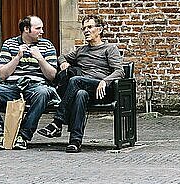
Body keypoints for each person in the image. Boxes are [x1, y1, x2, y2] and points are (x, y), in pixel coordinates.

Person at [37, 15, 124, 153]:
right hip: (84, 89)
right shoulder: (81, 50)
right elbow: (61, 56)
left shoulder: (109, 48)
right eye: (84, 28)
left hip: (102, 90)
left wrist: (105, 81)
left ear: (100, 29)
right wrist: (64, 62)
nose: (86, 31)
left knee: (75, 81)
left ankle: (57, 123)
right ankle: (75, 142)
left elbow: (120, 71)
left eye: (90, 27)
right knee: (80, 94)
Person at [0, 15, 58, 150]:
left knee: (43, 92)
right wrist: (17, 57)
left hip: (35, 87)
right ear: (26, 29)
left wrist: (40, 58)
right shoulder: (9, 44)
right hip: (12, 87)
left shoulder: (47, 45)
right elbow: (3, 75)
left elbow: (52, 76)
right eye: (38, 28)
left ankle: (23, 136)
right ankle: (0, 135)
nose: (42, 32)